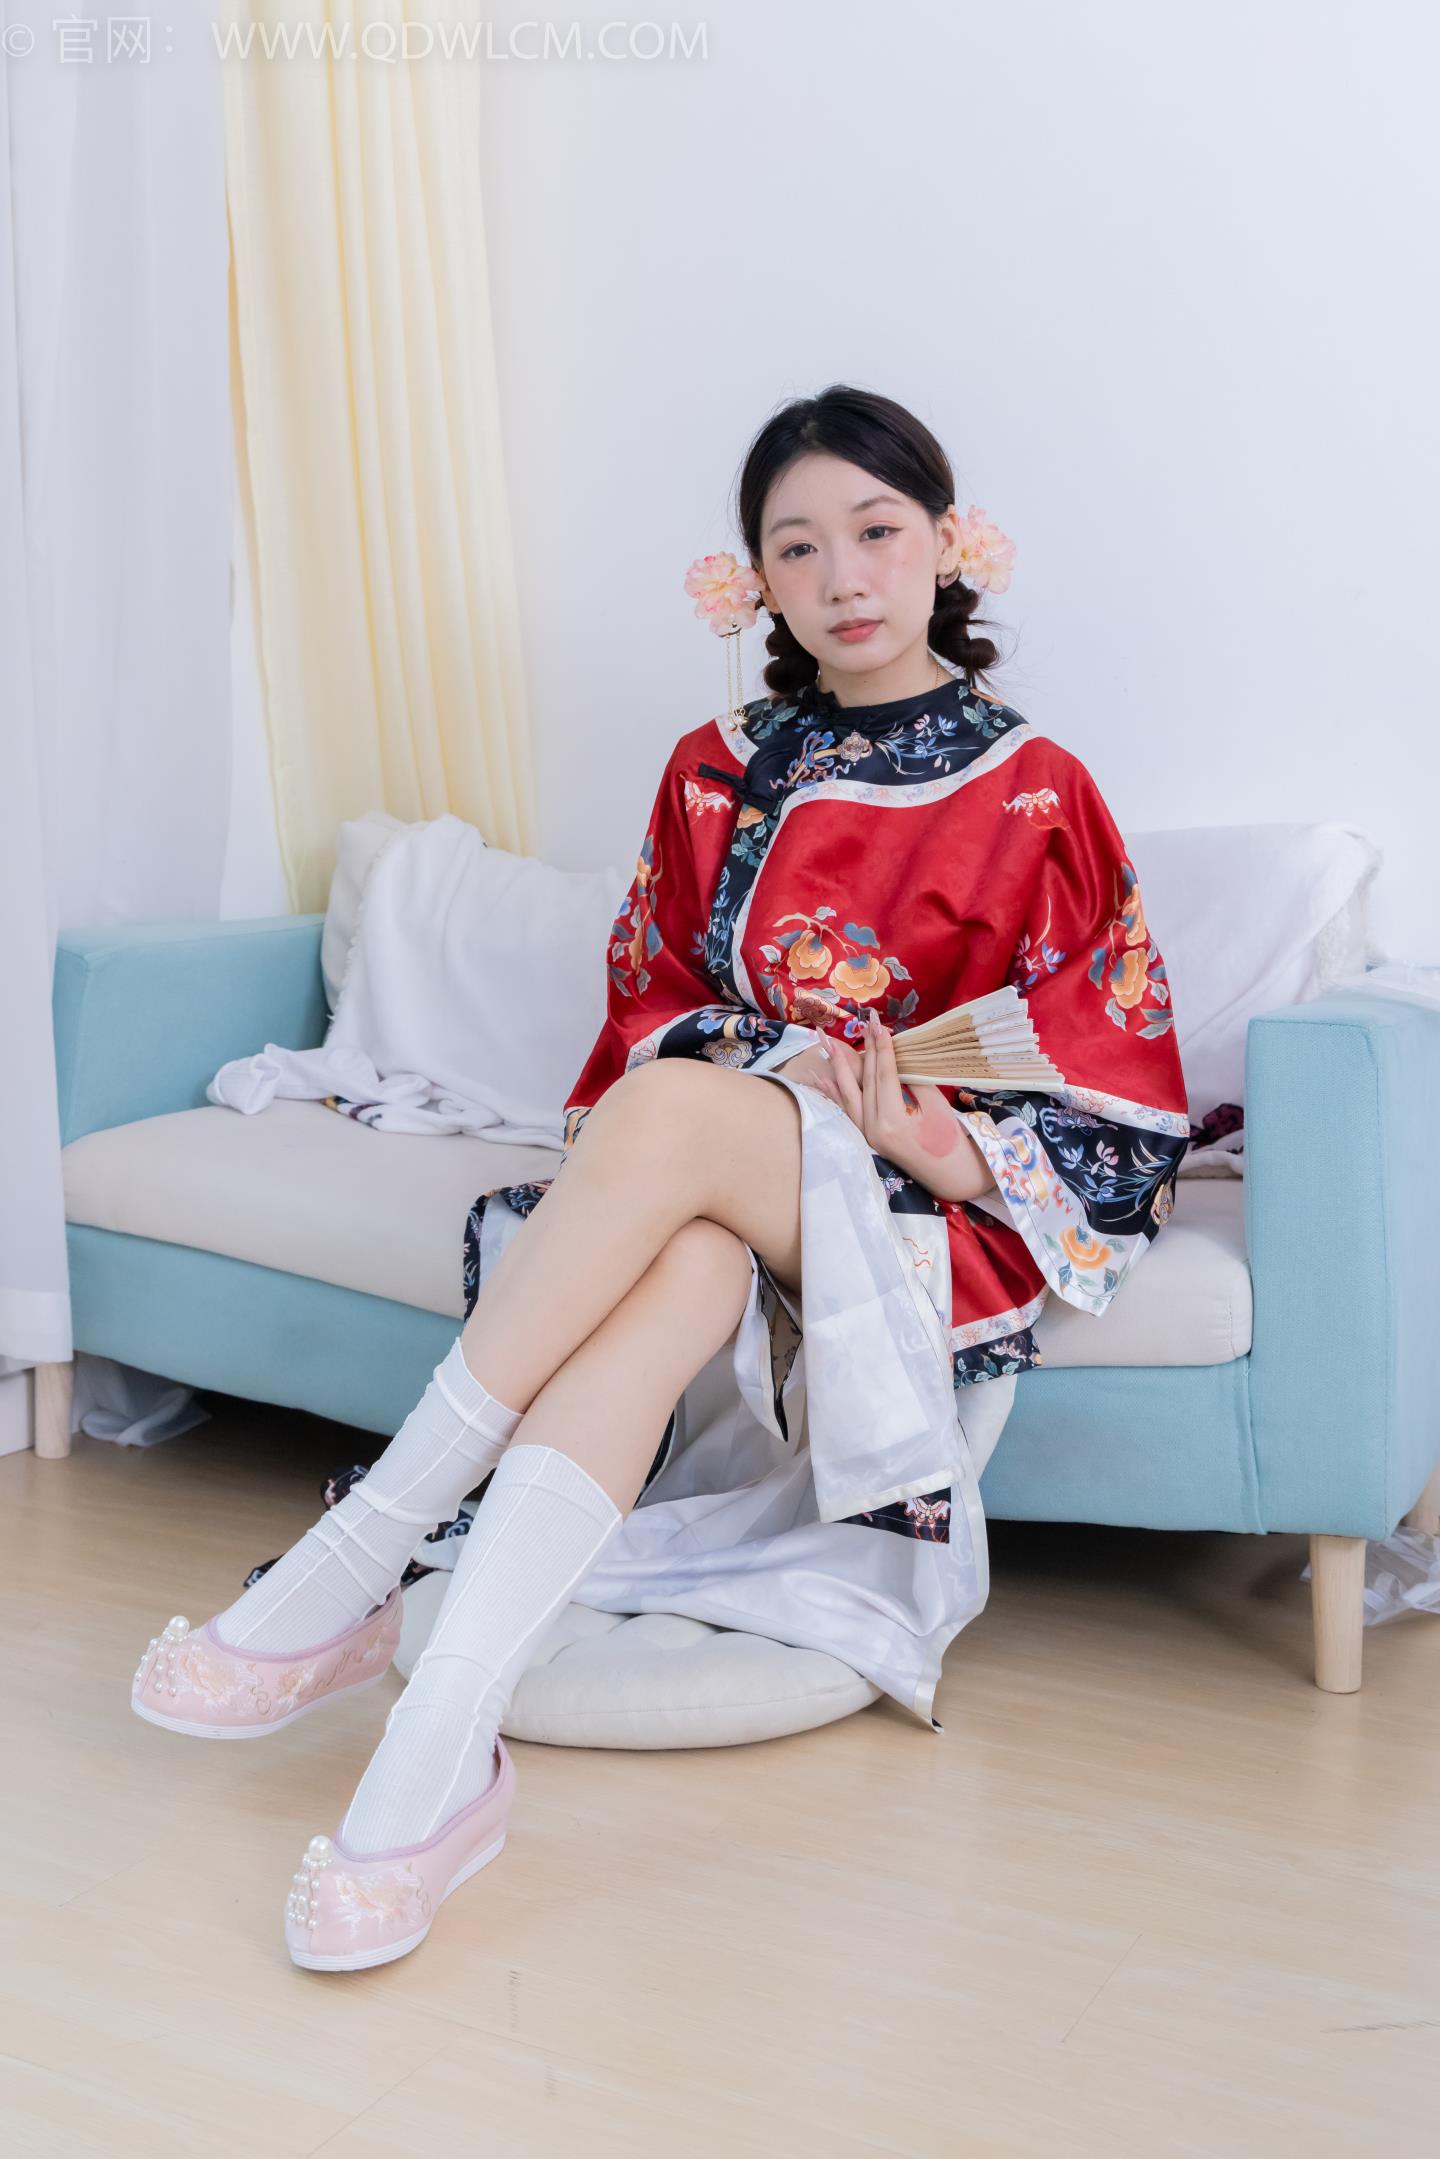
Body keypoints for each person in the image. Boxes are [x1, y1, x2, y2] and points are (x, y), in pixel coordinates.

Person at [131, 383, 1190, 1970]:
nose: (844, 577)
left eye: (877, 531)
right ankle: (437, 1758)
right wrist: (779, 1071)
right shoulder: (716, 769)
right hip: (728, 1169)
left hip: (918, 1208)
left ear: (948, 542)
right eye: (798, 546)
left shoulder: (1039, 787)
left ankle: (360, 1553)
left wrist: (929, 1138)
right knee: (686, 1235)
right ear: (753, 580)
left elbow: (1119, 1079)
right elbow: (649, 1004)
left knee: (685, 1121)